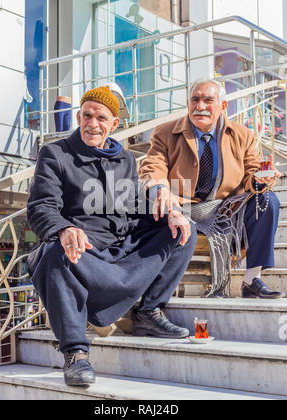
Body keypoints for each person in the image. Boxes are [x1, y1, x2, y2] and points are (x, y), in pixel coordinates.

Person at [26, 86, 197, 387]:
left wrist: (170, 211)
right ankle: (76, 353)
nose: (93, 123)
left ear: (114, 123)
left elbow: (131, 206)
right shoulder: (55, 154)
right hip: (82, 248)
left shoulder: (126, 160)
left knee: (183, 228)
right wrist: (64, 228)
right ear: (78, 116)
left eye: (101, 117)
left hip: (120, 245)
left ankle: (148, 311)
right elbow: (42, 207)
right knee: (55, 253)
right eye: (87, 116)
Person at [139, 78, 285, 299]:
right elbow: (153, 166)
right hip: (181, 207)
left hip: (225, 209)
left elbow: (250, 174)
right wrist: (161, 188)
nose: (200, 106)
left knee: (267, 200)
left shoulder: (242, 135)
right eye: (195, 100)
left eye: (208, 100)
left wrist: (260, 180)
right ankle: (153, 291)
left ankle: (251, 279)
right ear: (188, 104)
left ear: (223, 106)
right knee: (150, 207)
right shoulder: (165, 133)